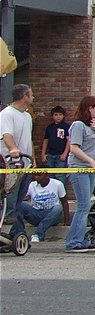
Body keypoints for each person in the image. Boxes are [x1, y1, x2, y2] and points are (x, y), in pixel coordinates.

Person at [64, 95, 95, 252]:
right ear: (89, 108)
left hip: (90, 169)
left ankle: (79, 238)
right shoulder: (78, 125)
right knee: (83, 205)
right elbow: (74, 148)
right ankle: (74, 241)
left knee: (87, 204)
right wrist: (90, 161)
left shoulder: (90, 126)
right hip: (80, 167)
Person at [1, 84, 35, 218]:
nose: (33, 98)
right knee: (10, 200)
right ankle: (7, 226)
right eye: (31, 95)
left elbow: (29, 139)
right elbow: (6, 135)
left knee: (20, 200)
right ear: (24, 97)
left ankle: (15, 231)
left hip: (26, 164)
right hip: (12, 165)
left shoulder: (27, 116)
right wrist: (13, 149)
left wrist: (33, 160)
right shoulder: (7, 114)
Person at [11, 168, 65, 244]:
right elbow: (24, 198)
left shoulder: (58, 184)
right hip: (36, 214)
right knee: (20, 205)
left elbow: (64, 202)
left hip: (50, 215)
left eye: (39, 175)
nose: (36, 177)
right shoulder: (32, 185)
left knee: (58, 208)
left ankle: (38, 234)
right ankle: (20, 234)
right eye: (35, 175)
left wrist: (67, 220)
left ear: (47, 175)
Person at [40, 105, 70, 173]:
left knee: (60, 174)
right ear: (52, 116)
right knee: (50, 174)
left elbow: (69, 140)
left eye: (60, 114)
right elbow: (46, 140)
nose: (58, 116)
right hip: (50, 154)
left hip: (61, 155)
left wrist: (65, 153)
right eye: (56, 115)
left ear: (63, 116)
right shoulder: (50, 127)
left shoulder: (66, 127)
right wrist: (43, 154)